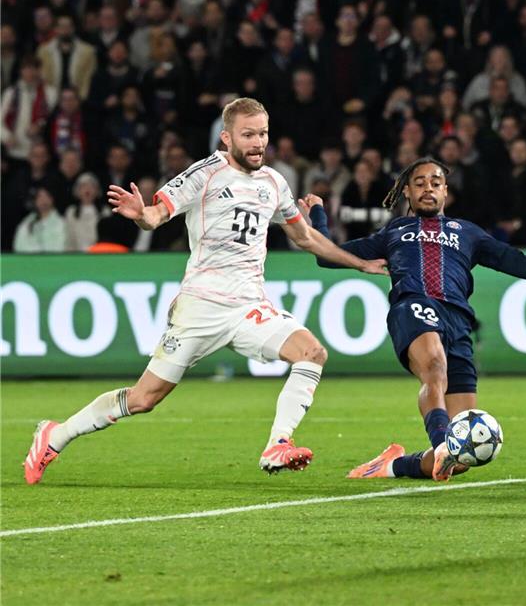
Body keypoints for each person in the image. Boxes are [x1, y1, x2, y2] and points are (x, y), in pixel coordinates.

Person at [22, 98, 388, 485]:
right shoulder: (203, 175)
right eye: (248, 135)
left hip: (249, 307)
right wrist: (141, 213)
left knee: (311, 352)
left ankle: (277, 444)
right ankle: (55, 435)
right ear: (226, 137)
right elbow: (156, 216)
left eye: (263, 133)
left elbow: (307, 237)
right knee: (145, 398)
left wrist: (361, 263)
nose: (257, 143)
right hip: (200, 307)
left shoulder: (274, 182)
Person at [306, 158, 526, 481]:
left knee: (461, 457)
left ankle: (393, 466)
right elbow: (326, 255)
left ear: (446, 192)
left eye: (436, 182)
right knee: (435, 369)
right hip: (412, 306)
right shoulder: (393, 232)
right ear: (407, 194)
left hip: (456, 322)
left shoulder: (469, 234)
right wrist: (318, 213)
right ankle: (441, 445)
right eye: (420, 183)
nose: (428, 188)